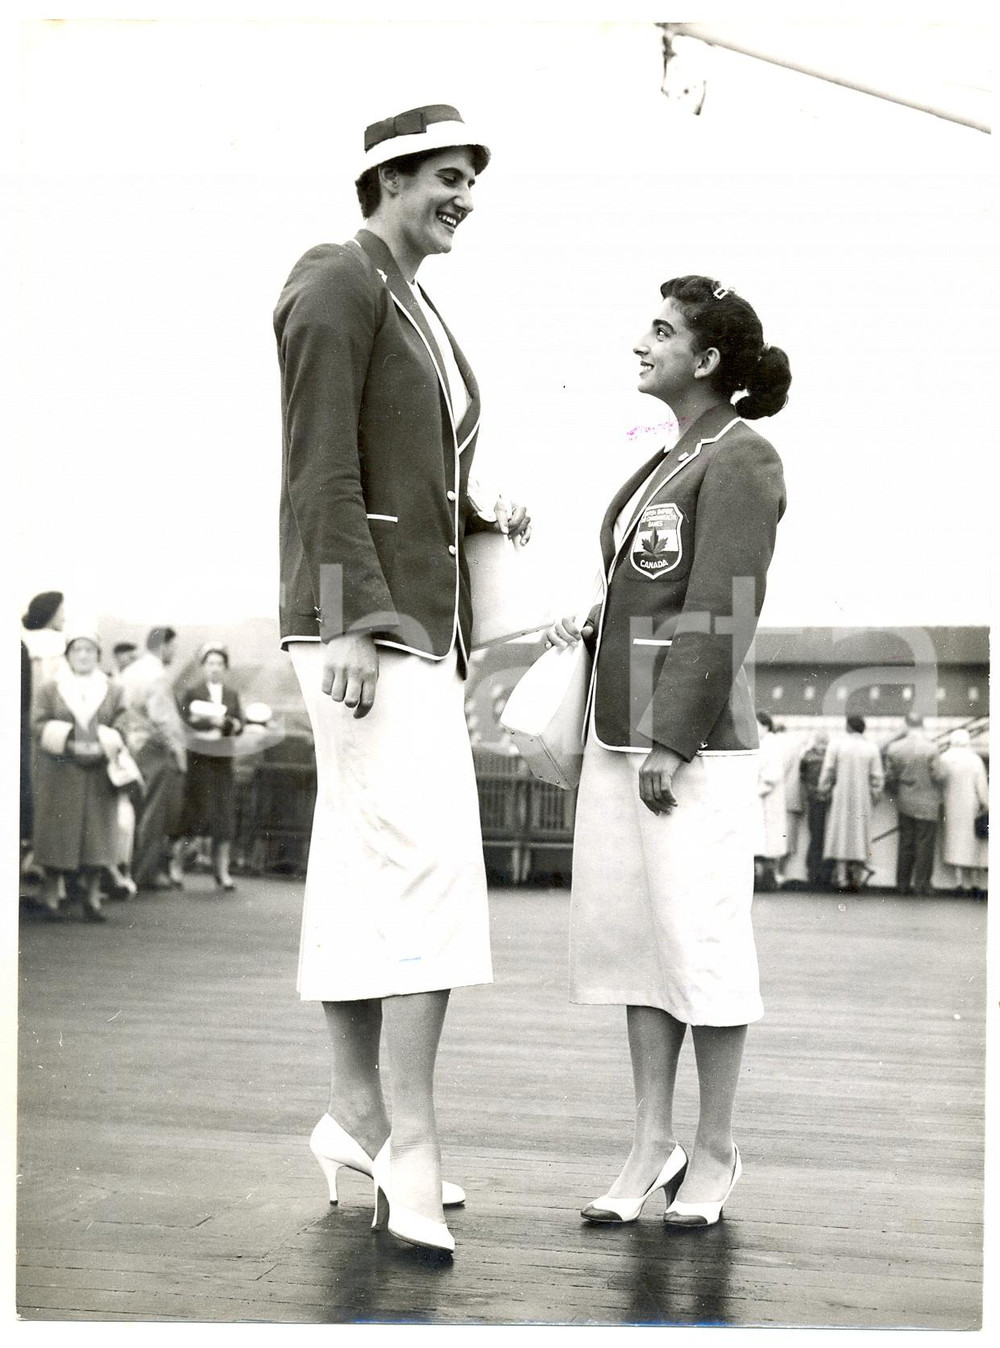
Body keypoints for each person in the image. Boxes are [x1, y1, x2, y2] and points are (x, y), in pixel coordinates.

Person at [274, 103, 530, 1256]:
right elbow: (317, 462)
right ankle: (410, 1142)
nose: (462, 194)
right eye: (442, 175)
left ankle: (356, 1113)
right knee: (429, 874)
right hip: (365, 628)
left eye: (471, 177)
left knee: (361, 868)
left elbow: (397, 460)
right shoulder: (337, 278)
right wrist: (345, 620)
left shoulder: (415, 299)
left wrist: (473, 508)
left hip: (409, 621)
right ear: (381, 177)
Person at [548, 274, 790, 1229]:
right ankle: (654, 1142)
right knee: (637, 949)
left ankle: (719, 1147)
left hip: (687, 748)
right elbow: (651, 585)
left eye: (661, 331)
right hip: (622, 741)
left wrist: (673, 737)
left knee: (704, 946)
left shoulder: (743, 457)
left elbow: (725, 606)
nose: (640, 343)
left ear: (708, 358)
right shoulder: (667, 456)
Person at [31, 631, 128, 921]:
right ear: (68, 655)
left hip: (98, 770)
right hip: (61, 768)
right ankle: (50, 896)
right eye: (77, 650)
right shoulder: (50, 688)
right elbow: (37, 723)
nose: (83, 655)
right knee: (57, 831)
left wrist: (106, 745)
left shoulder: (113, 689)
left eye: (89, 650)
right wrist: (68, 743)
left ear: (98, 655)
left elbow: (123, 721)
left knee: (97, 833)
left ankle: (92, 898)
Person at [120, 626, 188, 890]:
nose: (174, 652)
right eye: (173, 647)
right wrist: (178, 752)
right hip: (152, 747)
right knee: (152, 811)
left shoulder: (130, 671)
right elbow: (164, 720)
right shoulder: (157, 675)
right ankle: (143, 873)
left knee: (132, 809)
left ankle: (125, 869)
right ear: (164, 646)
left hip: (130, 744)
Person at [176, 642, 243, 890]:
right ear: (203, 667)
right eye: (210, 663)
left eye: (219, 664)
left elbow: (240, 722)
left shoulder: (232, 694)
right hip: (200, 760)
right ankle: (177, 866)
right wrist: (208, 723)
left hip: (222, 760)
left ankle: (222, 871)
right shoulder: (192, 692)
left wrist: (231, 724)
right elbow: (185, 723)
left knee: (224, 816)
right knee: (196, 813)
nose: (215, 668)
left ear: (225, 667)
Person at [818, 715, 884, 892]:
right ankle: (856, 878)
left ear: (848, 727)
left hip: (841, 796)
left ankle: (840, 878)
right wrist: (874, 797)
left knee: (840, 836)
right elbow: (877, 778)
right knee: (860, 836)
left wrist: (823, 790)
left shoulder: (837, 745)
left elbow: (828, 771)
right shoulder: (871, 747)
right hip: (862, 798)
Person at [882, 712, 944, 896]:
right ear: (922, 725)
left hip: (905, 801)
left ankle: (902, 884)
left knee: (906, 843)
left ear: (906, 725)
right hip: (928, 803)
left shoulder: (894, 748)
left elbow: (889, 777)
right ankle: (922, 884)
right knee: (925, 844)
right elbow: (939, 775)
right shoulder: (931, 748)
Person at [937, 729, 988, 894]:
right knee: (974, 844)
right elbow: (981, 787)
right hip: (971, 806)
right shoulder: (975, 759)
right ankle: (975, 883)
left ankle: (958, 883)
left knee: (954, 843)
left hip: (950, 806)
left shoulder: (944, 758)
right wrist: (986, 804)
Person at [753, 711, 787, 891]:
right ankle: (765, 878)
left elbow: (773, 773)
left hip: (765, 795)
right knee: (763, 839)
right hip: (762, 795)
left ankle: (767, 880)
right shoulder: (765, 743)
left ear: (766, 726)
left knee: (766, 839)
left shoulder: (771, 744)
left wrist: (758, 789)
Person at [799, 730, 832, 888]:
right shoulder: (830, 757)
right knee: (823, 837)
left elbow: (803, 776)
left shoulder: (807, 756)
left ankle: (813, 872)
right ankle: (822, 874)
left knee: (816, 837)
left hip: (814, 799)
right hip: (827, 799)